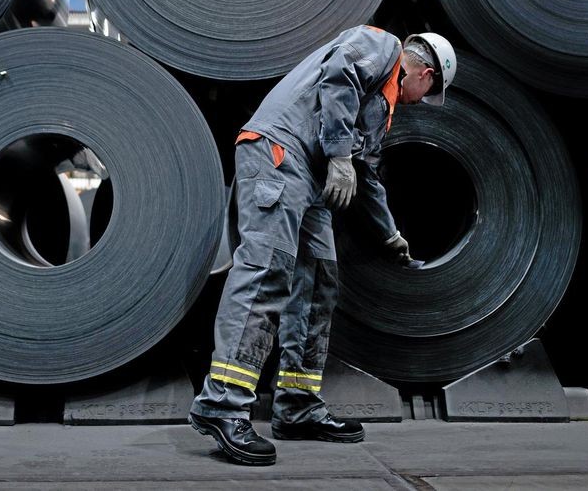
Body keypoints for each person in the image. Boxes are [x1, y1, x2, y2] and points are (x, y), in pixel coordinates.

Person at [189, 26, 457, 466]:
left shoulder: (380, 106)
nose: (419, 102)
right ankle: (223, 404)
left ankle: (297, 406)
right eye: (427, 93)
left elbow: (364, 175)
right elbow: (339, 72)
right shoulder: (382, 46)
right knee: (266, 273)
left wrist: (389, 234)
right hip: (279, 152)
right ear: (425, 74)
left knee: (319, 283)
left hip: (310, 177)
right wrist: (337, 154)